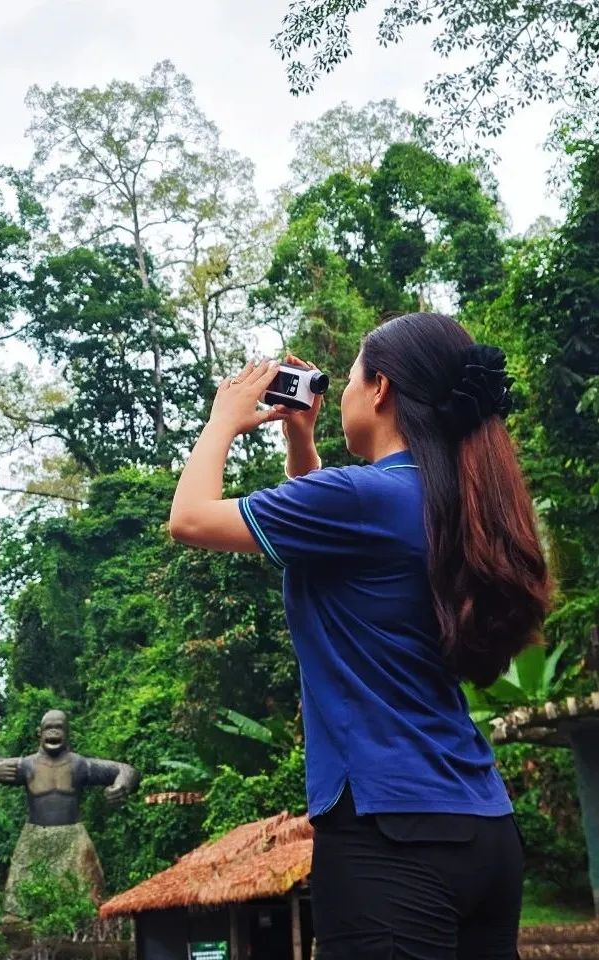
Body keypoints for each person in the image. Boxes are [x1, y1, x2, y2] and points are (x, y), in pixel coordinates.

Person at [169, 313, 551, 959]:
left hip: (390, 835)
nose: (342, 391)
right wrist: (301, 444)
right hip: (481, 827)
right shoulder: (456, 501)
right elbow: (326, 545)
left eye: (350, 377)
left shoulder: (363, 499)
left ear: (380, 390)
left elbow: (189, 518)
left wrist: (222, 420)